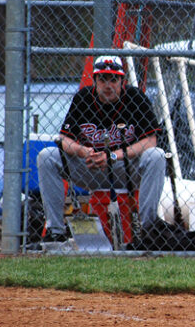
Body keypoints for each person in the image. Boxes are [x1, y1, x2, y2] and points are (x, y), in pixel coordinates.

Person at [37, 56, 166, 242]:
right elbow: (64, 139)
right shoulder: (83, 98)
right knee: (47, 156)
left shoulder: (135, 98)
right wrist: (84, 151)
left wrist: (113, 156)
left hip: (125, 169)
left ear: (122, 81)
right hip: (89, 167)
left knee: (157, 155)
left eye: (113, 79)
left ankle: (148, 231)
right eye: (103, 79)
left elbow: (150, 141)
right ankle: (55, 231)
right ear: (95, 80)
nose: (108, 85)